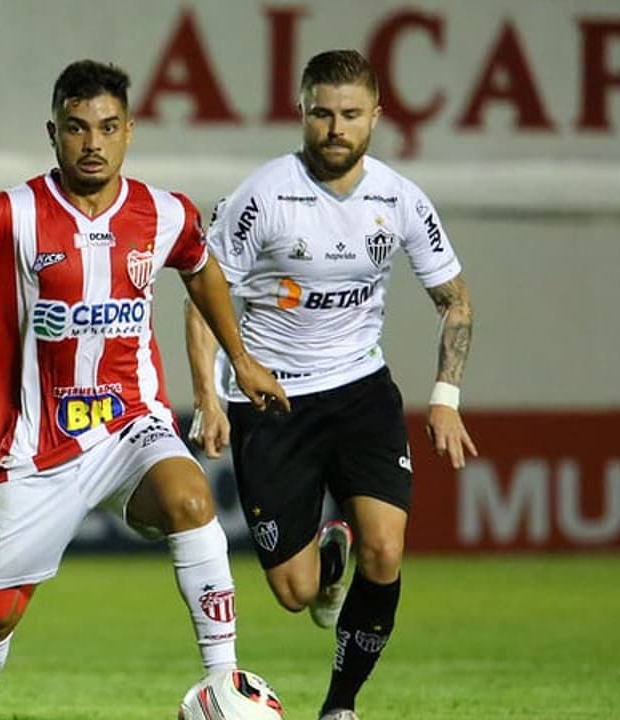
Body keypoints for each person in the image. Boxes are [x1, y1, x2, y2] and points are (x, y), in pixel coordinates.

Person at [0, 59, 289, 720]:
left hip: (131, 426)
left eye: (108, 127)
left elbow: (200, 270)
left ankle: (223, 686)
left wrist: (239, 359)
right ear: (53, 133)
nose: (93, 142)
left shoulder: (164, 213)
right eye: (77, 128)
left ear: (130, 132)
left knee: (192, 498)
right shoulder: (12, 214)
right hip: (40, 448)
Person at [184, 49, 477, 720]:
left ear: (377, 116)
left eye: (350, 115)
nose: (336, 129)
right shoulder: (262, 196)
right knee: (294, 592)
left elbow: (456, 301)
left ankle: (339, 707)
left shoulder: (399, 200)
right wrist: (209, 397)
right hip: (270, 398)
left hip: (359, 391)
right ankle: (326, 566)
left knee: (387, 547)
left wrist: (445, 397)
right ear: (302, 112)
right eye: (322, 114)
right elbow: (203, 293)